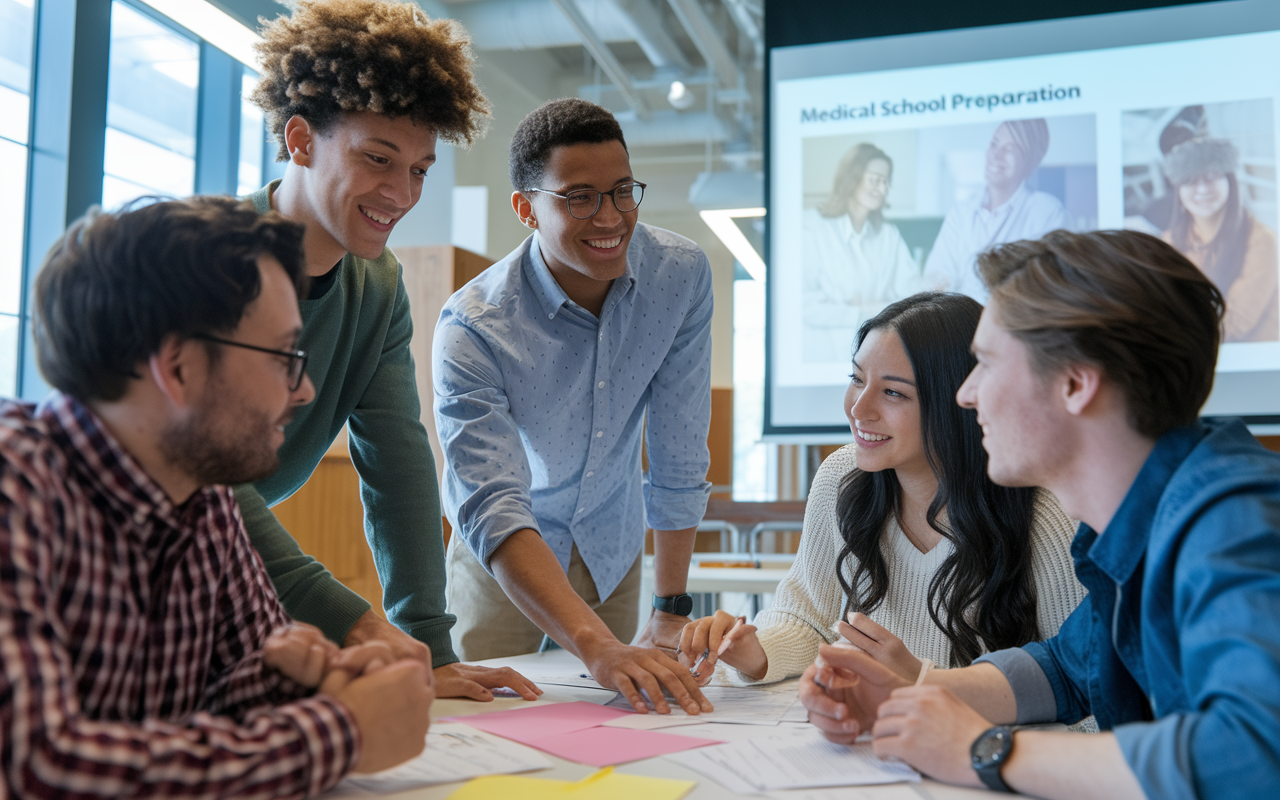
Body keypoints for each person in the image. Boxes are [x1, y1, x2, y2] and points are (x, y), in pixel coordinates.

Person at [801, 229, 1280, 800]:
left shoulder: (1232, 522)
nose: (965, 394)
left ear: (1076, 384)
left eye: (987, 364)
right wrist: (915, 690)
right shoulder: (1143, 514)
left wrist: (984, 751)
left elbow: (1255, 753)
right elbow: (1064, 668)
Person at [0, 196, 433, 797]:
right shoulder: (14, 484)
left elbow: (227, 692)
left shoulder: (204, 493)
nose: (305, 390)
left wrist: (311, 682)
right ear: (176, 369)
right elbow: (38, 765)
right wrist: (343, 729)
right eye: (286, 356)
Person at [240, 0, 537, 701]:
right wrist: (360, 624)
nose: (401, 194)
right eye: (378, 159)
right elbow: (208, 492)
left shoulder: (377, 286)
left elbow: (398, 463)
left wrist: (430, 645)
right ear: (302, 140)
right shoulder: (210, 254)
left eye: (420, 170)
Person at [433, 97, 715, 716]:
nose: (609, 216)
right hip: (505, 560)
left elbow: (678, 446)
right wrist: (595, 647)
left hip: (611, 550)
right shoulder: (473, 326)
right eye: (578, 197)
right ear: (526, 208)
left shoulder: (680, 276)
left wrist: (670, 607)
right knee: (482, 726)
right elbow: (493, 502)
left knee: (624, 726)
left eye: (622, 191)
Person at [679, 292, 1085, 686]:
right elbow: (808, 618)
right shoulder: (842, 476)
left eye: (893, 392)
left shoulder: (1043, 506)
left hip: (981, 747)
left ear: (961, 401)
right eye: (856, 378)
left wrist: (920, 683)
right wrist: (755, 653)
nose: (858, 408)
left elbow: (1081, 691)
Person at [923, 118, 1069, 301]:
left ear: (1030, 159)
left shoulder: (1047, 213)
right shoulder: (961, 213)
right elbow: (937, 277)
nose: (997, 155)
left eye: (1010, 149)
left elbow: (1047, 288)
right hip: (959, 324)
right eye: (994, 144)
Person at [801, 144, 922, 362]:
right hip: (823, 356)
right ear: (853, 178)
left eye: (886, 182)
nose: (882, 189)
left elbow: (909, 294)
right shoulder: (811, 227)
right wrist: (864, 311)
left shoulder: (888, 235)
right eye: (876, 180)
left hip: (874, 357)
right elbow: (806, 305)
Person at [1162, 135, 1279, 342]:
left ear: (1230, 182)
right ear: (1178, 191)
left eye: (1211, 176)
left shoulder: (1261, 239)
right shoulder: (1170, 241)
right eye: (1191, 180)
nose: (1203, 189)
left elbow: (1236, 322)